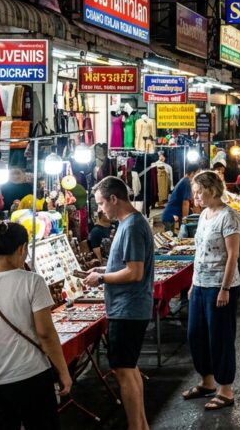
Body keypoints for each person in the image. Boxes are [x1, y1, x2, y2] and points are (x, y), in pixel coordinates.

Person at [0, 221, 71, 429]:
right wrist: (64, 372)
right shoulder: (33, 282)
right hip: (31, 376)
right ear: (22, 249)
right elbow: (45, 333)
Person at [84, 177, 154, 430]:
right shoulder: (130, 223)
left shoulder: (133, 226)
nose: (100, 210)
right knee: (130, 369)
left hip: (128, 309)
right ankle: (141, 425)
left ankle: (135, 426)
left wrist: (102, 277)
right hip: (129, 307)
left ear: (114, 199)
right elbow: (127, 266)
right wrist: (105, 268)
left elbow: (134, 272)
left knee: (124, 371)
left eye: (102, 204)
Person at [181, 171, 240, 411]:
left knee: (220, 337)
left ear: (212, 189)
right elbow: (199, 253)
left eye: (199, 192)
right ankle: (206, 381)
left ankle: (225, 389)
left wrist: (225, 288)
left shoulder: (229, 217)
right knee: (196, 335)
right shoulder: (205, 215)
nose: (195, 197)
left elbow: (233, 256)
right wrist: (193, 284)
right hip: (200, 285)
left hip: (221, 286)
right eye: (194, 192)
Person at [161, 166, 198, 234]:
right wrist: (185, 221)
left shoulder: (184, 180)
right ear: (193, 173)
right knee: (171, 241)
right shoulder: (186, 182)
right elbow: (185, 203)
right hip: (171, 217)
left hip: (171, 216)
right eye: (197, 173)